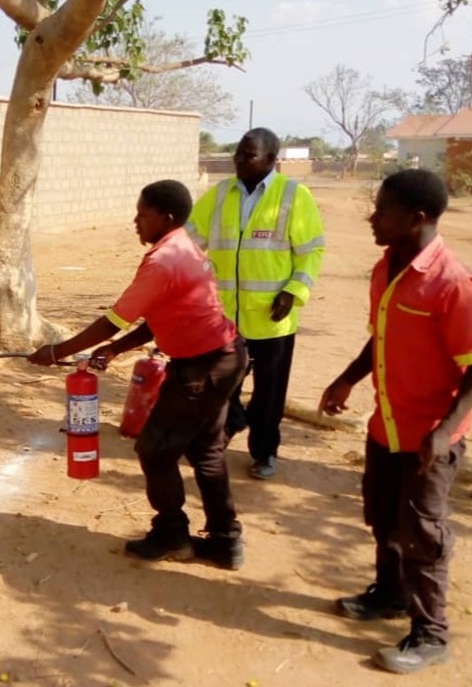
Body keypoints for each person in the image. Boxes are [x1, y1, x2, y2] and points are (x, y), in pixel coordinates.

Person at [27, 179, 248, 569]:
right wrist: (115, 350)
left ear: (165, 218)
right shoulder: (183, 248)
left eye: (142, 215)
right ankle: (226, 543)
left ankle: (171, 534)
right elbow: (159, 317)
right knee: (206, 452)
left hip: (203, 369)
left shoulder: (164, 261)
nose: (135, 222)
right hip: (223, 357)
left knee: (155, 450)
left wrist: (57, 351)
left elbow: (113, 319)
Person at [319, 169, 472, 674]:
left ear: (417, 218)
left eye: (382, 210)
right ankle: (389, 594)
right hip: (385, 425)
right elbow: (379, 336)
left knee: (422, 536)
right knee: (383, 518)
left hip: (430, 436)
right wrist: (346, 379)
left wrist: (445, 430)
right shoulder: (386, 268)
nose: (371, 217)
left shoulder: (452, 282)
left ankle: (431, 634)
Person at [187, 128, 325, 480]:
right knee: (220, 384)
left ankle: (265, 452)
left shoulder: (294, 196)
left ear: (271, 159)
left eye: (248, 154)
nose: (239, 160)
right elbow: (190, 241)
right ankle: (228, 425)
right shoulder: (219, 194)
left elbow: (311, 252)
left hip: (271, 319)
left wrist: (294, 290)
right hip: (224, 318)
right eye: (238, 152)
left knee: (269, 394)